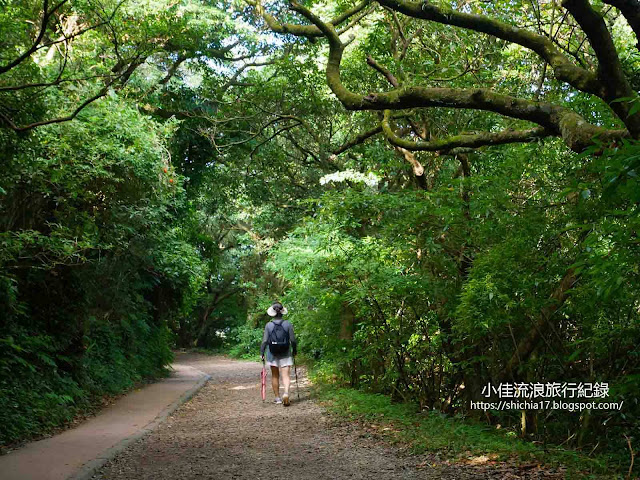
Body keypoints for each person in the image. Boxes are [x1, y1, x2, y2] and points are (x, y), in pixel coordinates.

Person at [260, 302, 297, 406]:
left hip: (272, 353)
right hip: (286, 352)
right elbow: (293, 340)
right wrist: (295, 350)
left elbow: (265, 341)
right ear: (282, 312)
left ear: (272, 312)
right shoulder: (288, 324)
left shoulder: (269, 325)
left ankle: (277, 398)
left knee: (275, 376)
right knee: (286, 375)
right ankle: (286, 393)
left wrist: (262, 352)